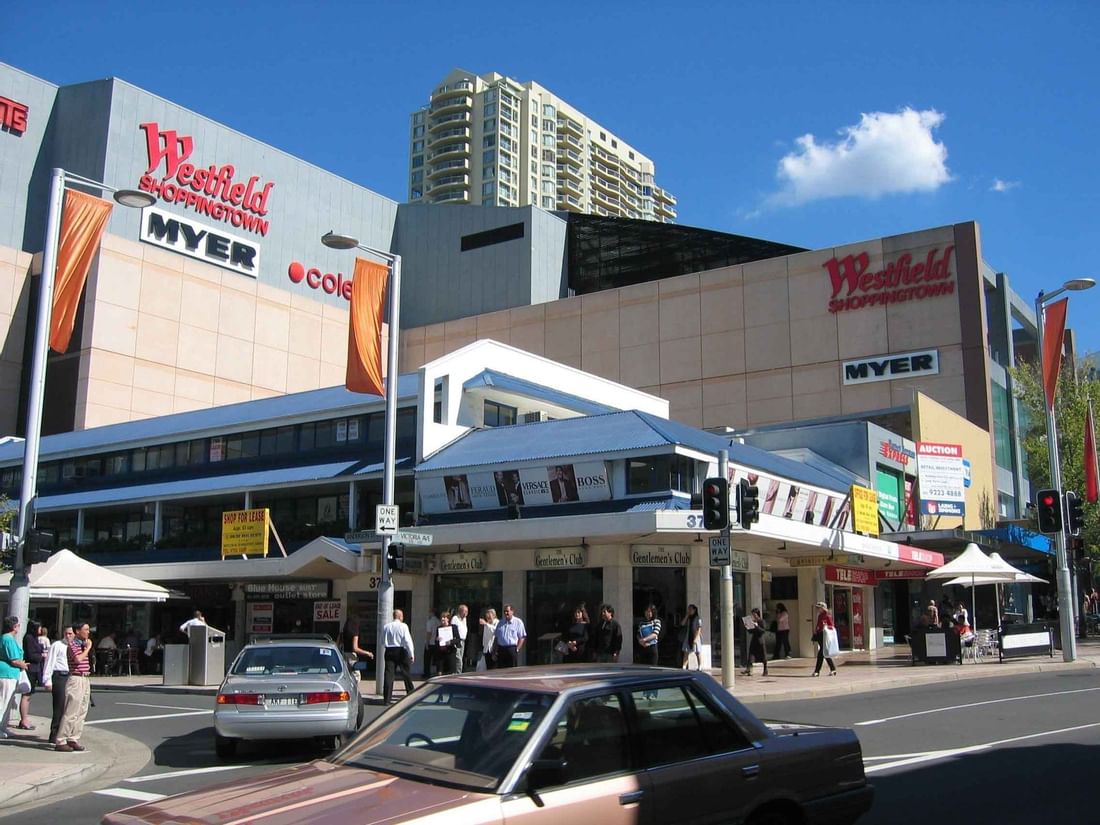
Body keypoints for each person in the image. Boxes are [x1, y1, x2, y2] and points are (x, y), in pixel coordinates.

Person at [55, 622, 93, 751]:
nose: (88, 632)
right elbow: (77, 660)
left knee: (82, 710)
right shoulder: (73, 644)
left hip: (85, 678)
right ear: (78, 631)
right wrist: (88, 648)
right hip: (76, 678)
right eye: (86, 629)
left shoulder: (83, 644)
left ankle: (73, 737)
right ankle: (61, 740)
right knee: (71, 710)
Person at [43, 626, 75, 745]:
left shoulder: (75, 647)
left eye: (70, 633)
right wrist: (47, 680)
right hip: (59, 676)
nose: (68, 636)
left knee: (70, 707)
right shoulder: (57, 645)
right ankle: (54, 734)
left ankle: (66, 734)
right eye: (66, 633)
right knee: (59, 707)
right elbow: (49, 662)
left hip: (71, 676)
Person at [0, 616, 30, 739]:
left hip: (11, 673)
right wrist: (22, 664)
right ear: (14, 626)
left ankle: (3, 727)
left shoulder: (7, 638)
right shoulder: (8, 638)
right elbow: (13, 659)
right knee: (3, 702)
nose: (19, 627)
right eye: (17, 625)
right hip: (7, 674)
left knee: (8, 702)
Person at [381, 609, 416, 705]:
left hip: (389, 650)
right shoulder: (403, 626)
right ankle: (411, 694)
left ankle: (387, 699)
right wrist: (411, 654)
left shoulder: (386, 626)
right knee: (406, 673)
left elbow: (382, 641)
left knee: (389, 675)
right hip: (401, 650)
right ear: (400, 616)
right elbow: (408, 641)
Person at [19, 619, 45, 730]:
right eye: (39, 627)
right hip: (30, 668)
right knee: (27, 694)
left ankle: (24, 718)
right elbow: (30, 655)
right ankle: (24, 719)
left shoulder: (34, 638)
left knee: (29, 694)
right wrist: (42, 656)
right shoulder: (29, 638)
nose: (41, 629)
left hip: (35, 669)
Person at [341, 614, 374, 681]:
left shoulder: (343, 632)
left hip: (343, 655)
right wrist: (367, 653)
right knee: (356, 676)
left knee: (346, 676)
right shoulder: (355, 633)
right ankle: (354, 690)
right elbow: (355, 648)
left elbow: (338, 644)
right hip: (352, 657)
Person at [812, 602, 837, 676]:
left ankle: (817, 671)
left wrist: (825, 626)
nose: (818, 609)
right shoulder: (820, 616)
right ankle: (833, 669)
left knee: (821, 653)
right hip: (820, 634)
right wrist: (816, 631)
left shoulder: (827, 615)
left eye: (819, 608)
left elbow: (831, 626)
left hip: (825, 635)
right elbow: (818, 624)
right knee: (825, 653)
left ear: (823, 608)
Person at [743, 608, 769, 676]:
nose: (753, 616)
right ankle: (749, 669)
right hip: (754, 640)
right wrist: (748, 626)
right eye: (752, 615)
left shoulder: (761, 621)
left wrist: (756, 626)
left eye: (754, 614)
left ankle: (765, 670)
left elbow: (763, 631)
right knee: (751, 654)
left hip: (760, 640)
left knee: (763, 655)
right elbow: (751, 632)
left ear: (757, 614)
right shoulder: (753, 621)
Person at [680, 604, 703, 670]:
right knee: (686, 652)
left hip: (695, 636)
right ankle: (684, 666)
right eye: (688, 609)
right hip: (688, 636)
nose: (689, 611)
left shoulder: (698, 618)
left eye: (690, 609)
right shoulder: (689, 618)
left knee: (697, 652)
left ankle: (700, 666)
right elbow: (682, 624)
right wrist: (687, 615)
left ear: (694, 610)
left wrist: (696, 639)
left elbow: (699, 628)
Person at [452, 604, 469, 673]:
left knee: (461, 658)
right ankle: (458, 673)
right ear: (460, 611)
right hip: (457, 640)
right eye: (464, 611)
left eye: (467, 612)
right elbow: (453, 630)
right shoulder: (455, 618)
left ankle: (459, 671)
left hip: (463, 640)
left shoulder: (464, 619)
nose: (466, 613)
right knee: (458, 658)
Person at [423, 610, 440, 678]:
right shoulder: (438, 621)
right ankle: (438, 672)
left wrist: (427, 642)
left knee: (427, 660)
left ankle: (427, 673)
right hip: (436, 643)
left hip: (430, 643)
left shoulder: (430, 621)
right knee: (437, 659)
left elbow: (429, 633)